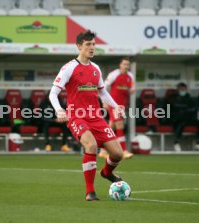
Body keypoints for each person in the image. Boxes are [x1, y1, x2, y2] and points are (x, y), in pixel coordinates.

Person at [49, 30, 125, 201]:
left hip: (96, 118)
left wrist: (115, 106)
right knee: (90, 146)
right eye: (88, 45)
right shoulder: (69, 68)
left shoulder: (96, 68)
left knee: (118, 154)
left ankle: (106, 172)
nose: (92, 48)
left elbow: (103, 92)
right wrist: (59, 110)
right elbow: (53, 93)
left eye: (94, 44)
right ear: (79, 46)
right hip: (77, 116)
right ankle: (90, 192)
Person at [98, 57, 134, 160]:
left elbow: (131, 89)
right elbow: (103, 87)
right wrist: (104, 101)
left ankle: (103, 151)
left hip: (122, 105)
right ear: (120, 65)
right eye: (124, 64)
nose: (126, 66)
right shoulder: (114, 74)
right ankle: (123, 150)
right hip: (113, 105)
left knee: (111, 127)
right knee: (120, 124)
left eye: (127, 65)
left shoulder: (130, 76)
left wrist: (131, 90)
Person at [171, 82, 199, 152]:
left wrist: (185, 109)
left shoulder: (189, 97)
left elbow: (193, 108)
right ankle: (176, 143)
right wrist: (185, 109)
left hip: (189, 118)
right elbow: (175, 106)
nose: (182, 90)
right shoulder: (174, 97)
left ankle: (198, 143)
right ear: (178, 89)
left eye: (184, 89)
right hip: (178, 119)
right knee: (181, 123)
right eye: (181, 89)